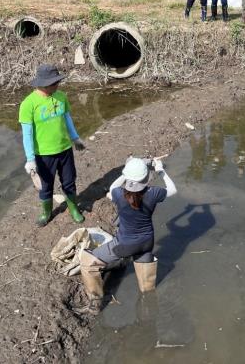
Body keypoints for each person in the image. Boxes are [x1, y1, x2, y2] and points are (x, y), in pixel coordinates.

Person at [79, 157, 177, 311]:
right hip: (147, 242)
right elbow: (172, 189)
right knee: (147, 287)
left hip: (125, 244)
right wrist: (160, 170)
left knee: (86, 263)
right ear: (145, 179)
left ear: (128, 179)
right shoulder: (154, 193)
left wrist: (127, 172)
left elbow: (112, 187)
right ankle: (148, 312)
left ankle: (95, 303)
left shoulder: (118, 194)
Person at [19, 64, 86, 226]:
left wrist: (75, 138)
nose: (58, 85)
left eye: (58, 82)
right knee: (45, 186)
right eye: (54, 83)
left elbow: (67, 118)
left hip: (65, 149)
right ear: (43, 83)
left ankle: (73, 209)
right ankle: (46, 212)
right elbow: (27, 134)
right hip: (43, 155)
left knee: (69, 181)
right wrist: (30, 159)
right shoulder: (28, 104)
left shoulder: (61, 96)